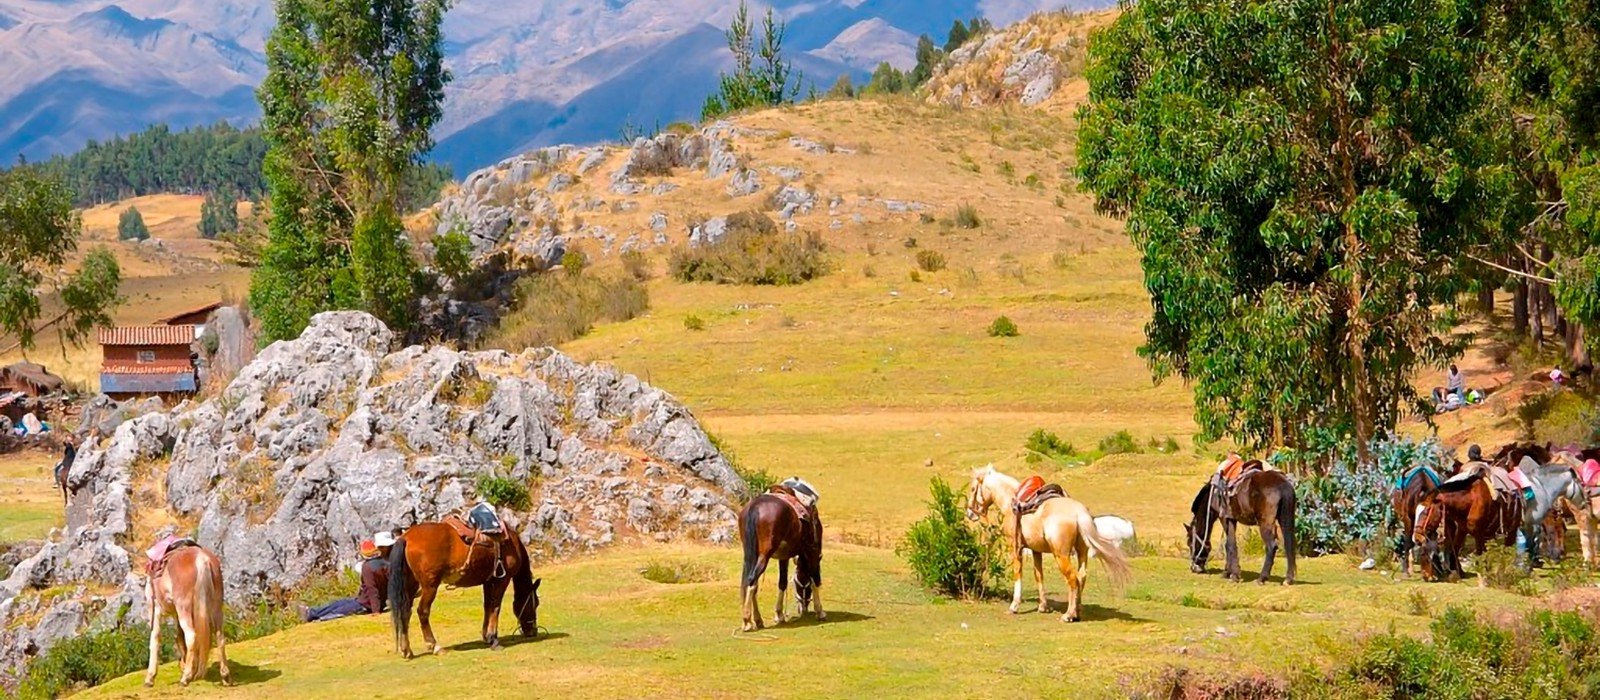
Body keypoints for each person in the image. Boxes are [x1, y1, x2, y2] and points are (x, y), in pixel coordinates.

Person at [302, 532, 394, 622]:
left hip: (365, 604)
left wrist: (376, 611)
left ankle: (315, 615)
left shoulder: (367, 567)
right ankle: (312, 613)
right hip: (364, 601)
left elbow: (372, 589)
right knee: (339, 603)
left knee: (339, 609)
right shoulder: (385, 564)